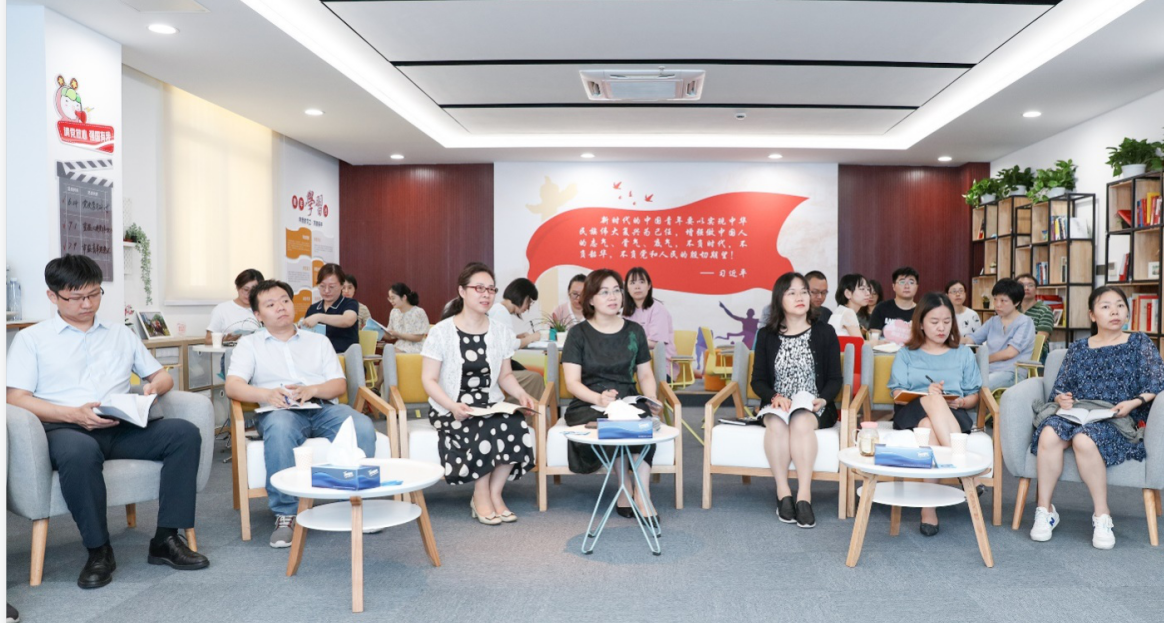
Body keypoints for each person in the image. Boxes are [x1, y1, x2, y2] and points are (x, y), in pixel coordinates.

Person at [6, 255, 208, 588]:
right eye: (76, 297)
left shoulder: (120, 334)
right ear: (53, 296)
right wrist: (73, 414)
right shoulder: (33, 339)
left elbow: (161, 376)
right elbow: (16, 398)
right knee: (79, 453)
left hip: (121, 425)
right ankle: (99, 551)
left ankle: (166, 539)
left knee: (184, 433)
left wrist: (154, 388)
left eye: (94, 294)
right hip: (66, 428)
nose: (87, 304)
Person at [225, 279, 378, 548]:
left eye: (285, 301)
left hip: (322, 407)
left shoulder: (318, 341)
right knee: (281, 429)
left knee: (361, 425)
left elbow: (338, 385)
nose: (281, 307)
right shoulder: (249, 345)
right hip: (279, 410)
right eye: (271, 304)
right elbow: (233, 386)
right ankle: (286, 514)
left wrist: (313, 389)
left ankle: (354, 502)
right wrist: (267, 394)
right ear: (258, 315)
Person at [1028, 286, 1164, 549]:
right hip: (1078, 411)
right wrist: (1062, 399)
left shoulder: (1139, 342)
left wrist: (1134, 402)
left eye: (1120, 305)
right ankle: (1045, 511)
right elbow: (1060, 389)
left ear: (1127, 312)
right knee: (1049, 432)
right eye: (1105, 306)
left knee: (1084, 440)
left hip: (1117, 415)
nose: (1114, 311)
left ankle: (1102, 515)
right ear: (1092, 315)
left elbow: (1158, 382)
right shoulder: (1079, 348)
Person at [420, 262, 537, 525]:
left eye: (491, 289)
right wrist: (452, 406)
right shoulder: (441, 332)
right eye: (479, 288)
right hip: (451, 406)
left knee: (515, 423)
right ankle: (480, 494)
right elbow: (429, 379)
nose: (486, 295)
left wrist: (521, 395)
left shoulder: (500, 332)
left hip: (489, 403)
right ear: (462, 291)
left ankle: (495, 493)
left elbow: (505, 376)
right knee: (483, 425)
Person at [562, 269, 663, 527]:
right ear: (590, 299)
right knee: (612, 419)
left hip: (627, 398)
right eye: (604, 292)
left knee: (641, 420)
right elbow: (572, 383)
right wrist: (599, 398)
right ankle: (625, 486)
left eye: (617, 290)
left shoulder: (635, 331)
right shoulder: (578, 334)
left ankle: (642, 493)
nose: (613, 297)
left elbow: (645, 374)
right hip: (589, 401)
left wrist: (651, 398)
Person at [751, 272, 842, 529]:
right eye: (791, 293)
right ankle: (783, 492)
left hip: (814, 404)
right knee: (776, 423)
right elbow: (758, 381)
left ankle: (804, 495)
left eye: (804, 291)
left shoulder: (825, 332)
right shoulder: (767, 335)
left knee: (801, 421)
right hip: (779, 404)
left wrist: (823, 399)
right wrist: (774, 397)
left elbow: (835, 378)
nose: (800, 297)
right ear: (779, 299)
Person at [887, 292, 982, 536]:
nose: (941, 328)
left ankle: (928, 510)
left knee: (929, 424)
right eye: (934, 322)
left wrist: (962, 401)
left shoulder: (963, 353)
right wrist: (925, 395)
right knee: (932, 398)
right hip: (910, 411)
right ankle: (965, 470)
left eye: (947, 321)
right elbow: (896, 392)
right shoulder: (906, 353)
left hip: (952, 414)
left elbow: (974, 395)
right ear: (920, 323)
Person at [963, 278, 1035, 390]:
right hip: (988, 370)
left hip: (1012, 373)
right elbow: (973, 338)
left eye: (1003, 301)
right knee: (958, 381)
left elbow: (1010, 353)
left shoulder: (1025, 322)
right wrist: (952, 340)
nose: (997, 305)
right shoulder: (993, 321)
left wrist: (983, 360)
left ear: (1016, 302)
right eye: (995, 299)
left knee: (977, 386)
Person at [623, 266, 676, 367]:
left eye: (641, 282)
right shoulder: (627, 313)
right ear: (627, 288)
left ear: (649, 286)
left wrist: (626, 341)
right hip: (636, 364)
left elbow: (656, 343)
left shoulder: (657, 309)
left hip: (660, 366)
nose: (637, 287)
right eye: (632, 283)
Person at [302, 263, 360, 353]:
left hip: (343, 356)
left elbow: (348, 320)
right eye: (322, 286)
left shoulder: (349, 303)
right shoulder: (313, 308)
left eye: (331, 287)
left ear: (341, 285)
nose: (326, 291)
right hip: (318, 356)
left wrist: (319, 317)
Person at [206, 268, 264, 344]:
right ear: (237, 287)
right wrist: (224, 340)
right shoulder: (222, 309)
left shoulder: (264, 308)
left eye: (253, 291)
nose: (249, 294)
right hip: (231, 351)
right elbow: (208, 340)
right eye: (246, 290)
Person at [869, 267, 920, 344]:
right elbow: (874, 338)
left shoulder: (921, 311)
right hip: (885, 350)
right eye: (902, 282)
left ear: (917, 287)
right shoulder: (882, 308)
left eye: (911, 282)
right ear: (893, 286)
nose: (907, 286)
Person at [1017, 273, 1054, 362]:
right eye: (1022, 285)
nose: (1026, 288)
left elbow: (1040, 340)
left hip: (1036, 357)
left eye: (1030, 285)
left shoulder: (1045, 310)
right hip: (1012, 354)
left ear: (1036, 289)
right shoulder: (1012, 309)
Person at [386, 282, 429, 354]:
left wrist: (398, 334)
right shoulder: (394, 312)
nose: (391, 301)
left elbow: (418, 338)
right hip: (399, 346)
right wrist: (377, 331)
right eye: (389, 298)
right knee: (387, 354)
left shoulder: (418, 312)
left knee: (391, 355)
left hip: (416, 346)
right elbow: (390, 335)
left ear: (404, 297)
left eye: (393, 298)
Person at [829, 273, 871, 338]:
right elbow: (860, 342)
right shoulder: (848, 313)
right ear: (848, 293)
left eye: (868, 289)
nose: (868, 293)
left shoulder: (840, 310)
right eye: (862, 289)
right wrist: (879, 342)